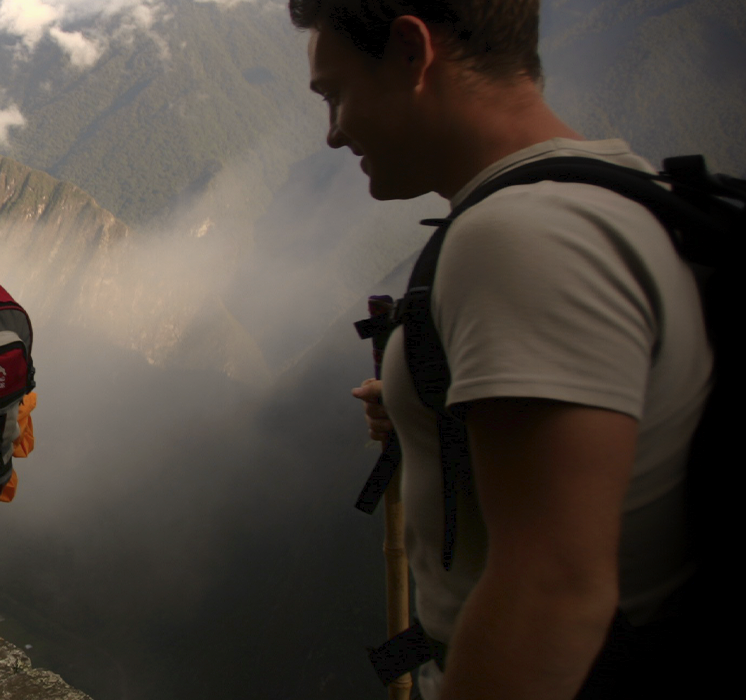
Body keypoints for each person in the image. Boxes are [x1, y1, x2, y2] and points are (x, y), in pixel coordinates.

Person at [295, 1, 710, 697]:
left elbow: (550, 591)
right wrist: (436, 411)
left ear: (409, 49)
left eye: (335, 93)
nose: (333, 134)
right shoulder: (610, 191)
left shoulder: (520, 238)